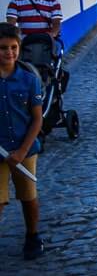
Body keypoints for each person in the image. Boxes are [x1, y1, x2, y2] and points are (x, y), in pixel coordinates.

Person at [0, 23, 45, 260]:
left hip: (24, 148)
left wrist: (22, 151)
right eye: (3, 48)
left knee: (28, 195)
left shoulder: (29, 79)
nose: (9, 53)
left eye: (13, 47)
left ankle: (32, 235)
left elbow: (36, 120)